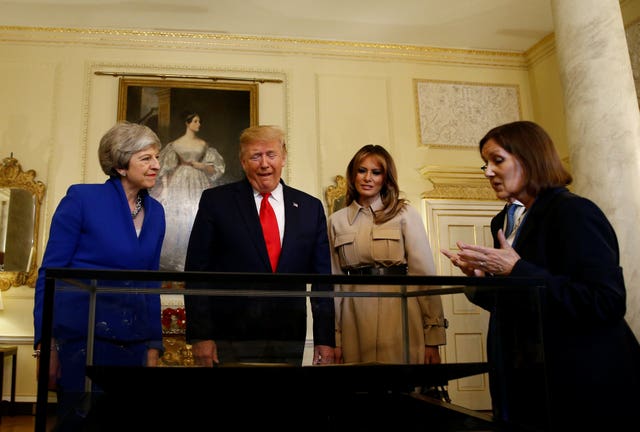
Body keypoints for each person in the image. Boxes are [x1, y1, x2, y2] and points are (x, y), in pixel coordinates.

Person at [441, 120, 640, 430]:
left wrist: (516, 269)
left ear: (530, 157)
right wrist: (480, 278)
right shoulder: (514, 221)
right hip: (532, 384)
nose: (488, 172)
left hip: (582, 388)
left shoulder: (573, 212)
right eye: (485, 164)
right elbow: (522, 303)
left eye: (497, 160)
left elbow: (607, 301)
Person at [32, 122, 166, 430]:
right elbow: (50, 275)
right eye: (146, 158)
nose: (156, 165)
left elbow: (151, 283)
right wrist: (46, 344)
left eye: (156, 157)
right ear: (120, 164)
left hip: (133, 344)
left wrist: (152, 346)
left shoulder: (156, 212)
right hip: (83, 343)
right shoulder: (81, 200)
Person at [184, 125, 335, 367]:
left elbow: (322, 282)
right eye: (256, 156)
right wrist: (201, 335)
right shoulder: (216, 202)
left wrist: (325, 339)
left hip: (288, 337)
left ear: (283, 158)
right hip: (230, 338)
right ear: (243, 162)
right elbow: (196, 273)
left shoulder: (310, 208)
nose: (264, 164)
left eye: (271, 155)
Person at [328, 144, 447, 367]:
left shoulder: (404, 213)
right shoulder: (337, 221)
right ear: (353, 174)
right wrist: (336, 339)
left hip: (401, 312)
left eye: (376, 172)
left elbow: (424, 276)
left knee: (403, 390)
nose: (367, 178)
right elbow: (335, 285)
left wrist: (433, 338)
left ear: (386, 177)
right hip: (354, 317)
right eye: (362, 170)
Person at [150, 110, 225, 271]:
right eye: (195, 121)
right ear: (187, 123)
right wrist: (165, 189)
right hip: (180, 179)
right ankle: (177, 258)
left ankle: (194, 257)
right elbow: (165, 168)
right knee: (177, 216)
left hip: (199, 179)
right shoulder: (175, 145)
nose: (198, 124)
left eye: (199, 121)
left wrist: (202, 166)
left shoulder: (203, 145)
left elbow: (216, 168)